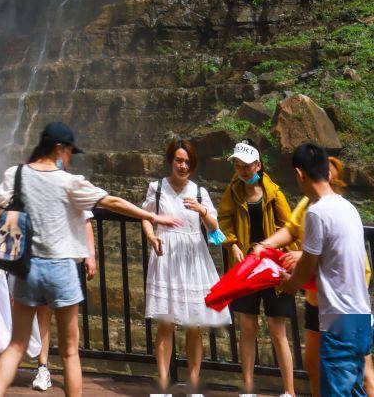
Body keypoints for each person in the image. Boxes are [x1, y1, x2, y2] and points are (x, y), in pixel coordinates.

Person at [0, 120, 182, 397]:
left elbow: (0, 207)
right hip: (62, 267)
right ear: (59, 148)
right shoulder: (69, 182)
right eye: (69, 151)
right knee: (69, 352)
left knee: (16, 345)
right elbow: (111, 202)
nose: (69, 157)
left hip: (27, 267)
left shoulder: (16, 175)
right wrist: (151, 215)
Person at [257, 154, 374, 397]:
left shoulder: (317, 213)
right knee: (354, 390)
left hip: (337, 318)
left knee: (340, 390)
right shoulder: (348, 208)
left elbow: (306, 268)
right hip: (358, 314)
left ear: (300, 174)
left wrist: (288, 283)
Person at [140, 136, 231, 396]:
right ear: (171, 160)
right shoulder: (156, 188)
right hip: (166, 256)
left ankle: (192, 384)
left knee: (194, 324)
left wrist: (203, 211)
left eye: (188, 162)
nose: (183, 166)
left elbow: (215, 230)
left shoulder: (199, 192)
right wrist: (151, 235)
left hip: (193, 259)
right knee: (166, 323)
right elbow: (146, 217)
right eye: (179, 160)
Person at [218, 139, 298, 397]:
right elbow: (223, 222)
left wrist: (285, 258)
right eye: (238, 165)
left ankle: (289, 390)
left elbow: (290, 227)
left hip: (273, 267)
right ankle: (248, 388)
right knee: (248, 327)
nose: (241, 170)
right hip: (245, 266)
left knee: (277, 329)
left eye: (246, 165)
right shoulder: (233, 191)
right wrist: (231, 245)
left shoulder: (274, 193)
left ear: (258, 165)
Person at [28, 215, 96, 392]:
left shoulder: (75, 187)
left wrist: (91, 256)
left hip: (70, 261)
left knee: (70, 321)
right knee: (43, 314)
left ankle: (71, 370)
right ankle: (43, 368)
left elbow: (86, 222)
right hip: (43, 258)